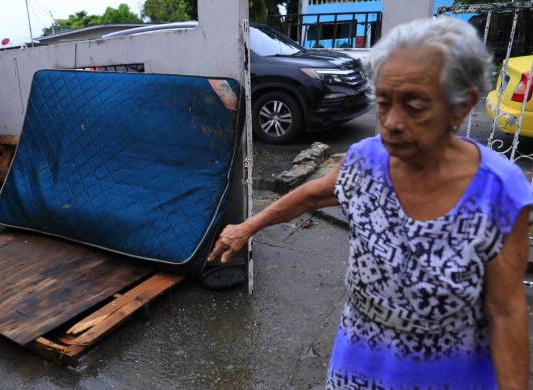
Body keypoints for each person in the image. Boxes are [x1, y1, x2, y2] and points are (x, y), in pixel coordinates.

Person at [208, 16, 531, 389]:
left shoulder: (499, 192)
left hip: (447, 374)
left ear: (461, 107)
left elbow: (506, 313)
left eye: (414, 106)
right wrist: (246, 227)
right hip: (358, 363)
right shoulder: (366, 162)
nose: (391, 122)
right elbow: (312, 194)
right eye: (383, 102)